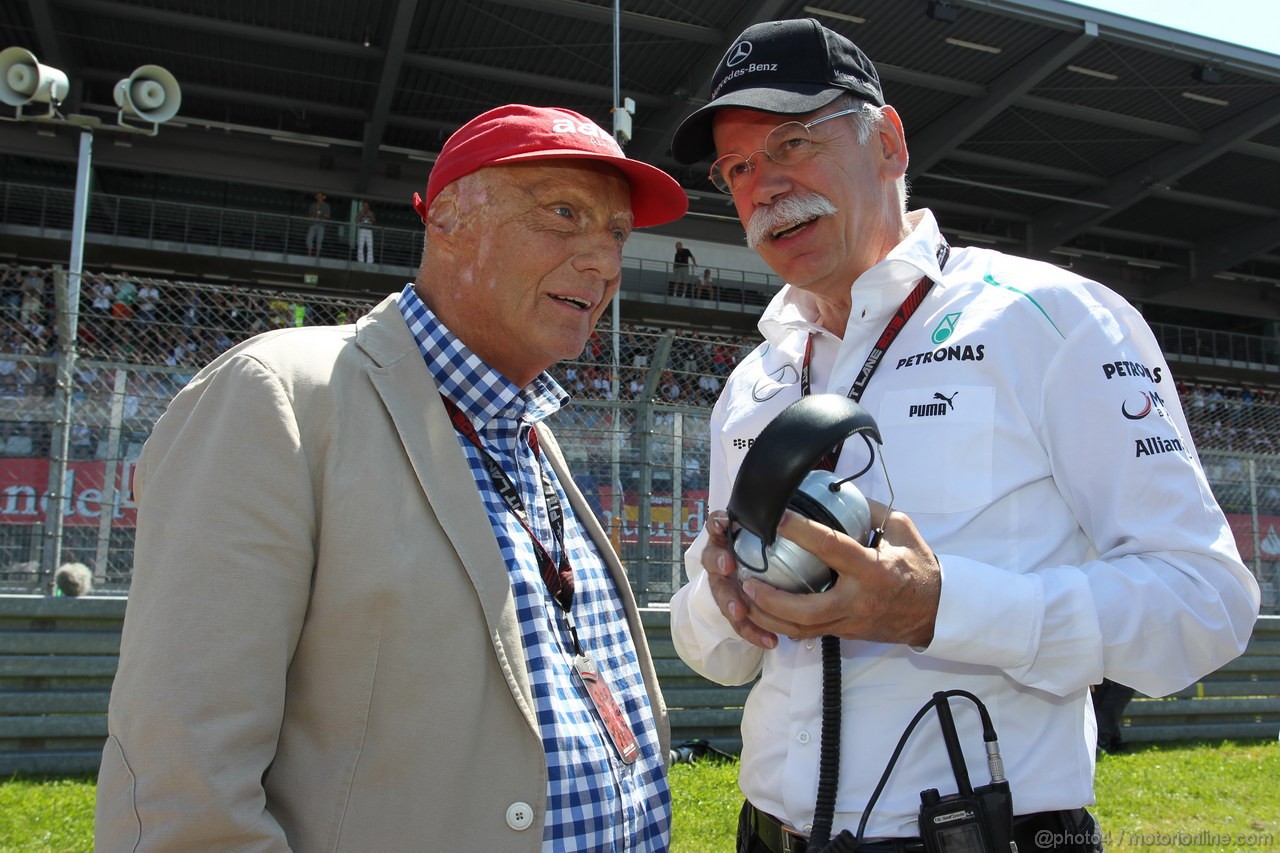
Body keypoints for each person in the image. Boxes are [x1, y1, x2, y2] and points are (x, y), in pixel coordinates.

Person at [666, 18, 1260, 853]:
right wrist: (723, 598)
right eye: (737, 168)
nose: (763, 186)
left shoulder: (1054, 317)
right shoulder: (752, 380)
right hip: (767, 834)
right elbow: (714, 654)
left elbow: (1206, 604)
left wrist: (942, 607)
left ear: (890, 144)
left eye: (793, 143)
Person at [95, 103, 688, 851]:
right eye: (563, 214)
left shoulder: (529, 433)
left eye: (616, 234)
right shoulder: (278, 395)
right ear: (446, 219)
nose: (603, 261)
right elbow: (181, 780)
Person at [305, 191, 331, 256]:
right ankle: (309, 253)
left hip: (321, 225)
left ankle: (317, 254)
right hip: (313, 224)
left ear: (323, 197)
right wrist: (314, 214)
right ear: (316, 197)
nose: (319, 197)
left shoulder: (326, 205)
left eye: (320, 196)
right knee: (309, 238)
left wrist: (322, 214)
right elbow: (310, 216)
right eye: (318, 196)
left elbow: (328, 216)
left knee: (319, 239)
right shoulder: (313, 205)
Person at [356, 199, 377, 264]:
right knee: (361, 245)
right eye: (364, 205)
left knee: (370, 245)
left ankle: (370, 261)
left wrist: (371, 217)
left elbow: (374, 221)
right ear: (362, 206)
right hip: (362, 230)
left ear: (368, 206)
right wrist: (361, 216)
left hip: (369, 230)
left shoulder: (371, 213)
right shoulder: (360, 212)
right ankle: (360, 260)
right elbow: (356, 221)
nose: (365, 206)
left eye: (366, 205)